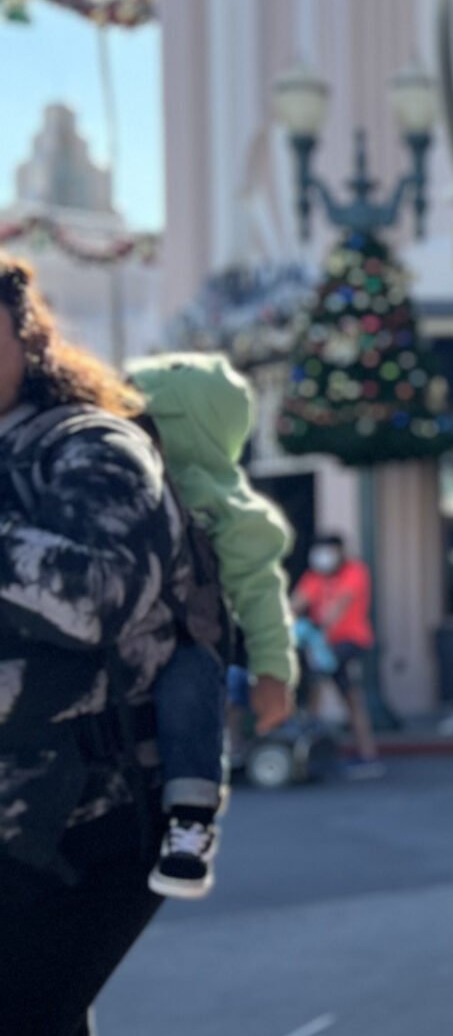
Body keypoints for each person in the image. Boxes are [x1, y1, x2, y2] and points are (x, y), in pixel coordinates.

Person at [0, 258, 189, 1036]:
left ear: (25, 335)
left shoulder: (93, 449)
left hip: (106, 808)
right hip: (20, 817)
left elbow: (99, 595)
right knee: (48, 1030)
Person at [126, 352, 298, 899]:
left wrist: (272, 670)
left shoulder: (227, 508)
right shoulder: (110, 478)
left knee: (194, 683)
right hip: (108, 638)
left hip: (180, 641)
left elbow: (260, 592)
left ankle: (191, 821)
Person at [293, 530, 380, 773]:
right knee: (347, 694)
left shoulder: (355, 571)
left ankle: (364, 755)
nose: (323, 557)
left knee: (320, 678)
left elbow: (340, 605)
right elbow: (296, 604)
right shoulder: (313, 577)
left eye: (328, 551)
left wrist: (319, 628)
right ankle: (359, 754)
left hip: (348, 642)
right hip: (322, 645)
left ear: (340, 552)